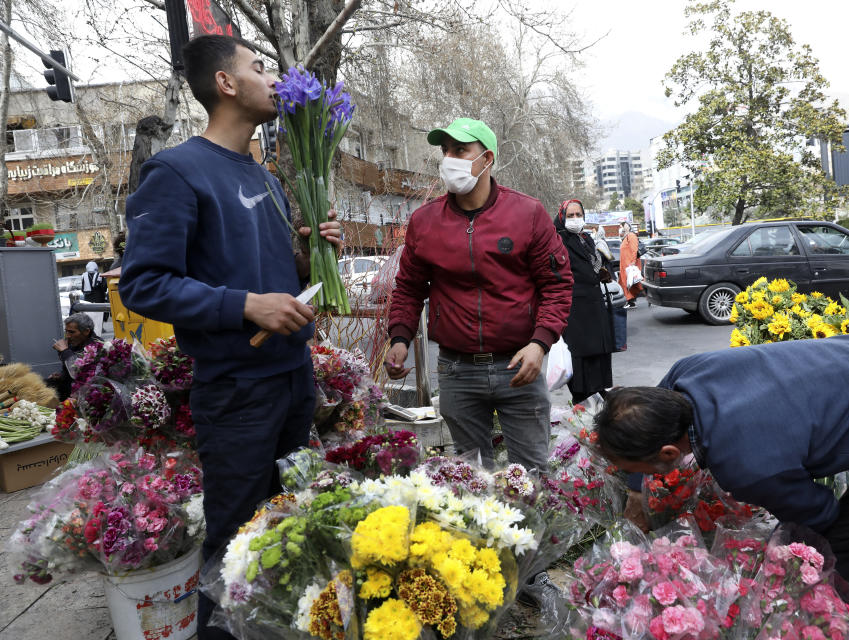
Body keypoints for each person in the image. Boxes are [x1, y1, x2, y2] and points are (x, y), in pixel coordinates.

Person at [118, 35, 341, 640]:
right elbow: (144, 285)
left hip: (294, 382)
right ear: (225, 83)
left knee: (293, 524)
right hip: (237, 392)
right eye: (258, 66)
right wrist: (246, 306)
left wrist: (305, 259)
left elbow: (263, 273)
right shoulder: (175, 171)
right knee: (236, 545)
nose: (271, 78)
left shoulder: (265, 176)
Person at [593, 333, 849, 640]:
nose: (632, 475)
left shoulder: (744, 463)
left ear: (670, 451)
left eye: (632, 467)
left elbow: (823, 512)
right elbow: (637, 409)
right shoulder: (688, 375)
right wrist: (637, 487)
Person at [384, 117, 572, 473]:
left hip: (519, 365)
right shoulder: (425, 222)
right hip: (457, 371)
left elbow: (557, 284)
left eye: (459, 150)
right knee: (469, 481)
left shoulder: (527, 213)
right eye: (445, 151)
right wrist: (400, 337)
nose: (448, 158)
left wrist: (540, 343)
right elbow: (409, 287)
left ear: (486, 159)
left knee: (531, 477)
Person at [554, 199, 615, 403]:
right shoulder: (557, 240)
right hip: (575, 311)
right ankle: (583, 400)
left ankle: (599, 396)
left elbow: (593, 266)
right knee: (581, 359)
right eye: (570, 215)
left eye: (578, 215)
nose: (575, 219)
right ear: (562, 217)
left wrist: (602, 270)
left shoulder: (586, 238)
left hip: (595, 305)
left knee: (599, 356)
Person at [47, 312, 102, 401]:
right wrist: (62, 375)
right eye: (66, 331)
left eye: (72, 332)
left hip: (86, 394)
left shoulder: (97, 346)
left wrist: (65, 351)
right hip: (69, 388)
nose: (68, 336)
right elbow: (69, 369)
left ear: (86, 331)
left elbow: (79, 373)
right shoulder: (74, 343)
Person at [619, 221, 642, 307]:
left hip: (630, 265)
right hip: (625, 266)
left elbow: (634, 250)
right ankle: (629, 301)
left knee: (633, 284)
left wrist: (632, 262)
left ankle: (630, 300)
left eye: (620, 226)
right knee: (628, 283)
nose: (619, 228)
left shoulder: (631, 236)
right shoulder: (625, 237)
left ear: (626, 227)